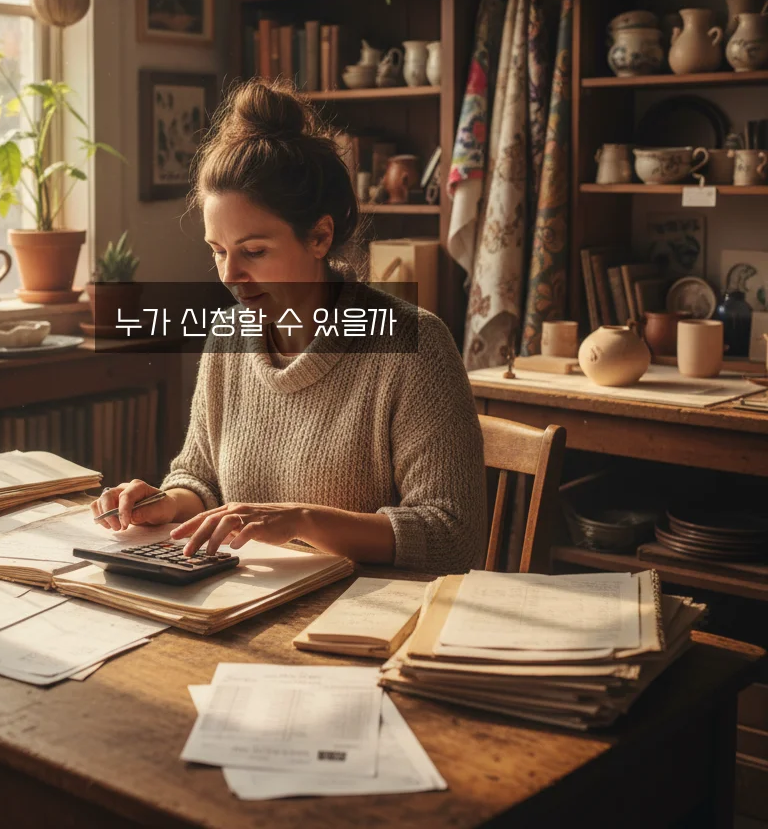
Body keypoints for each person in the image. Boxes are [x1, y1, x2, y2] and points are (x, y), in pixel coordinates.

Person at [89, 80, 486, 573]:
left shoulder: (413, 344)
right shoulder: (228, 336)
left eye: (254, 251)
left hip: (364, 622)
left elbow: (453, 536)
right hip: (250, 606)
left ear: (320, 236)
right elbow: (201, 477)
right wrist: (168, 501)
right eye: (218, 251)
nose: (230, 276)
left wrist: (302, 520)